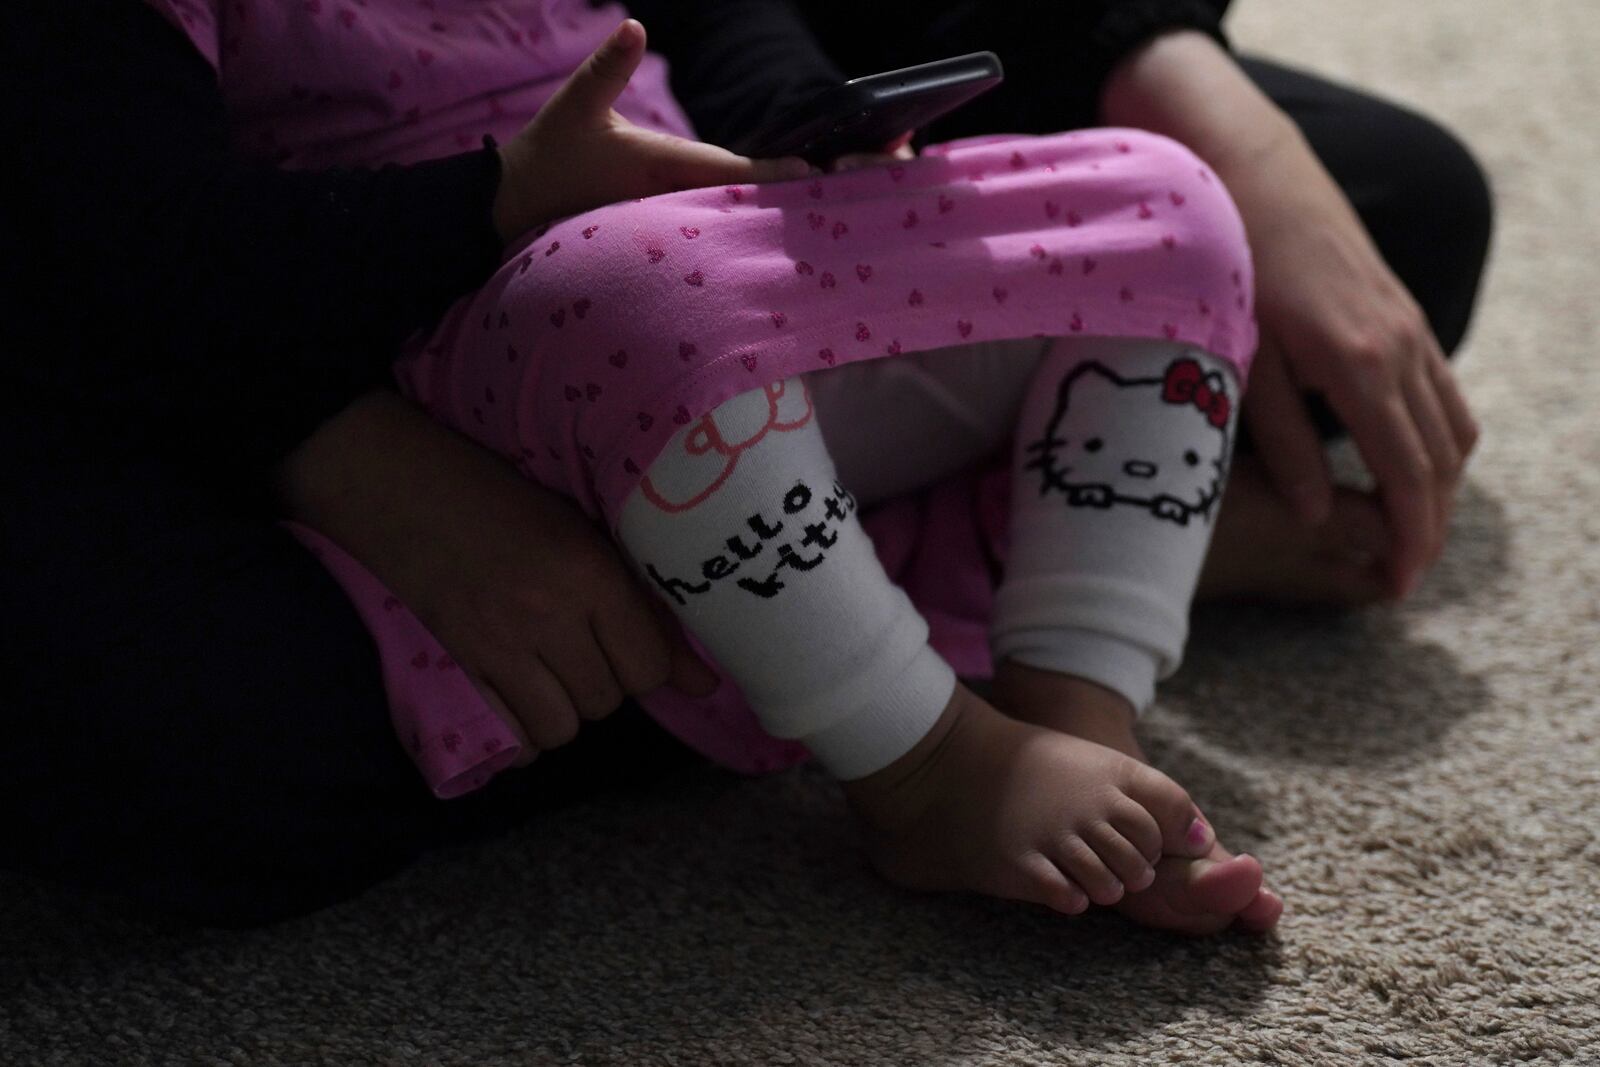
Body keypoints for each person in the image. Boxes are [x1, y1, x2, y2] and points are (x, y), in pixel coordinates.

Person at [0, 0, 1488, 930]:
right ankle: (933, 755)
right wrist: (502, 200)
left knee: (1169, 208)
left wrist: (809, 132)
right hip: (479, 323)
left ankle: (1070, 696)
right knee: (635, 305)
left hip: (710, 264)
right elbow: (139, 255)